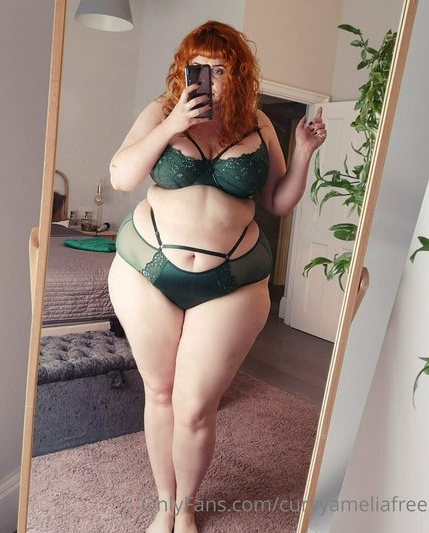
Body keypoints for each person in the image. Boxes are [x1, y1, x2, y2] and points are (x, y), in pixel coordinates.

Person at [108, 20, 326, 533]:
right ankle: (165, 505)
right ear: (183, 70)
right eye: (198, 67)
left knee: (196, 406)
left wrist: (304, 153)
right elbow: (121, 176)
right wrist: (172, 124)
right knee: (160, 393)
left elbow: (278, 201)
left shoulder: (258, 124)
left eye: (220, 69)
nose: (208, 76)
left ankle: (187, 507)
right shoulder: (161, 111)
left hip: (232, 280)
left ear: (238, 73)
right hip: (147, 270)